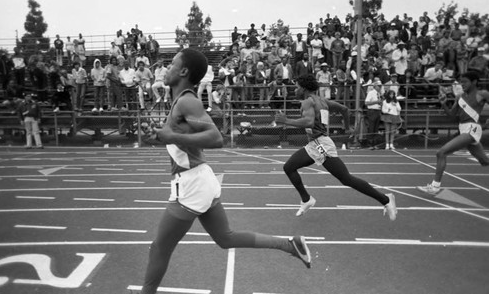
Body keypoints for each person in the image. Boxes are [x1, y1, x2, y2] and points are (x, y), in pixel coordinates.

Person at [139, 48, 311, 294]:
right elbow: (182, 142)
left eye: (172, 64)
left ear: (184, 71)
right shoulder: (179, 102)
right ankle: (289, 245)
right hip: (201, 180)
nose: (167, 68)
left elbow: (215, 137)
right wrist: (158, 136)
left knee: (159, 248)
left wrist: (170, 135)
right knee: (225, 238)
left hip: (191, 185)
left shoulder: (187, 100)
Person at [274, 74, 397, 220]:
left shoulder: (307, 102)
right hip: (316, 144)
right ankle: (306, 199)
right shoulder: (322, 101)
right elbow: (344, 109)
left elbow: (309, 122)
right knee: (289, 167)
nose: (295, 90)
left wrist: (286, 120)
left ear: (304, 88)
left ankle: (386, 199)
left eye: (297, 87)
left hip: (320, 145)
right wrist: (346, 127)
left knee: (346, 179)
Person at [417, 71, 489, 194]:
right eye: (461, 82)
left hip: (472, 129)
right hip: (463, 129)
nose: (462, 84)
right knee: (484, 161)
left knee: (441, 153)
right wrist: (443, 104)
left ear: (474, 82)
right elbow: (451, 115)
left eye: (465, 82)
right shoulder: (459, 97)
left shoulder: (482, 94)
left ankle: (435, 187)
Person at [365, 81, 383, 149]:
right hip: (372, 111)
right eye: (378, 86)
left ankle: (374, 143)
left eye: (380, 86)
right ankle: (370, 143)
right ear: (375, 86)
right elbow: (366, 102)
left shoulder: (379, 93)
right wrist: (376, 102)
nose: (380, 87)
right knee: (371, 127)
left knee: (376, 128)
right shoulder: (371, 93)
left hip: (378, 111)